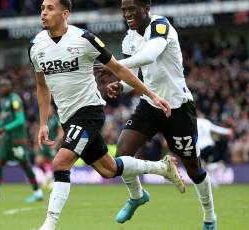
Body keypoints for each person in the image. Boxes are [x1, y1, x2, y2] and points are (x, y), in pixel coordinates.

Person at [29, 1, 184, 229]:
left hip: (89, 112)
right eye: (42, 7)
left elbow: (120, 69)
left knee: (61, 163)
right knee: (109, 169)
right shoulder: (35, 45)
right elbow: (42, 86)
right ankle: (161, 168)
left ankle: (49, 225)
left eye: (50, 8)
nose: (43, 12)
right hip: (67, 117)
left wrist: (152, 95)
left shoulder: (85, 39)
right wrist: (43, 123)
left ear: (65, 13)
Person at [102, 0, 217, 229]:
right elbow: (133, 75)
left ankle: (209, 217)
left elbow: (149, 56)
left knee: (194, 170)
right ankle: (137, 196)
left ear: (146, 7)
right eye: (124, 10)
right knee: (123, 153)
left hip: (177, 107)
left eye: (132, 8)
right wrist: (121, 86)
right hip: (150, 104)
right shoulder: (129, 38)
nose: (127, 14)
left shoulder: (161, 26)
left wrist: (112, 65)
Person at [0, 79, 44, 203]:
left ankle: (37, 192)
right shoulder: (3, 101)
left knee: (25, 164)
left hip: (17, 139)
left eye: (3, 88)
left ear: (9, 88)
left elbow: (20, 120)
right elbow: (4, 121)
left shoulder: (15, 100)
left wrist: (4, 128)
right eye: (0, 88)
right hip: (7, 139)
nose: (0, 90)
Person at [197, 113, 233, 187]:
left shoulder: (193, 123)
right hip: (209, 146)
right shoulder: (206, 122)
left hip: (200, 148)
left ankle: (218, 165)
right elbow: (216, 128)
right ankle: (213, 183)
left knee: (203, 166)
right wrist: (227, 131)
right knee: (205, 166)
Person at [34, 103, 63, 188]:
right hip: (43, 145)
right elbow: (37, 131)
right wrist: (36, 143)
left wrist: (56, 142)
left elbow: (61, 132)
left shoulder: (56, 119)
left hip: (52, 144)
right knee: (38, 161)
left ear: (53, 110)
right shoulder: (43, 120)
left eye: (49, 108)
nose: (48, 110)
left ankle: (53, 180)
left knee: (53, 163)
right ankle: (48, 174)